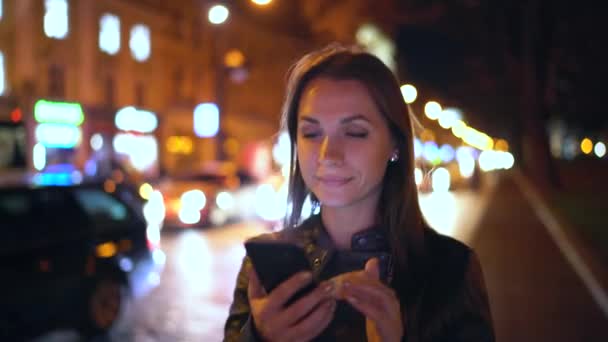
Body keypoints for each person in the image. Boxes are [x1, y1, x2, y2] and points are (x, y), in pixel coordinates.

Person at [224, 44, 495, 342]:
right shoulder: (265, 267)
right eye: (311, 133)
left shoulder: (450, 270)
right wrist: (259, 337)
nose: (329, 154)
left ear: (395, 144)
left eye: (354, 132)